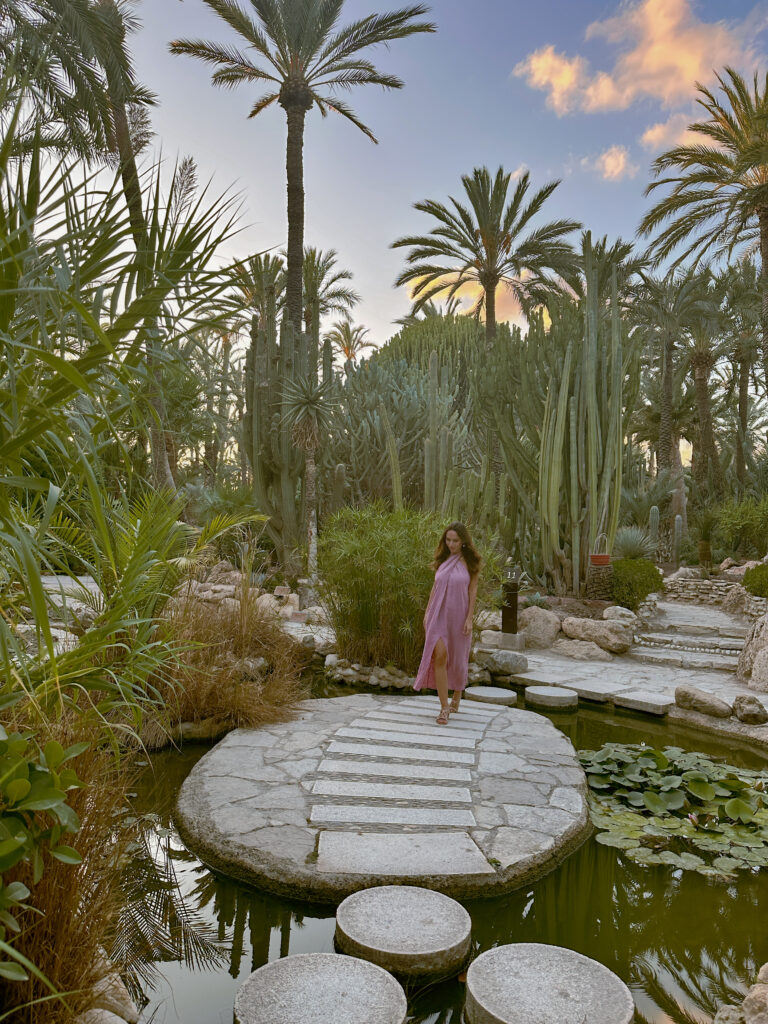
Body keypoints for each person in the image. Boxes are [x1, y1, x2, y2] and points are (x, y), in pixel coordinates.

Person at [413, 522, 481, 724]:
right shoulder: (442, 560)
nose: (451, 544)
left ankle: (457, 696)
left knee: (459, 657)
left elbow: (472, 591)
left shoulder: (471, 562)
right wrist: (427, 614)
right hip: (437, 615)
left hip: (459, 616)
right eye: (448, 540)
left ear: (463, 542)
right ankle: (444, 707)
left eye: (455, 541)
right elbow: (435, 588)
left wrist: (469, 618)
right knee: (440, 655)